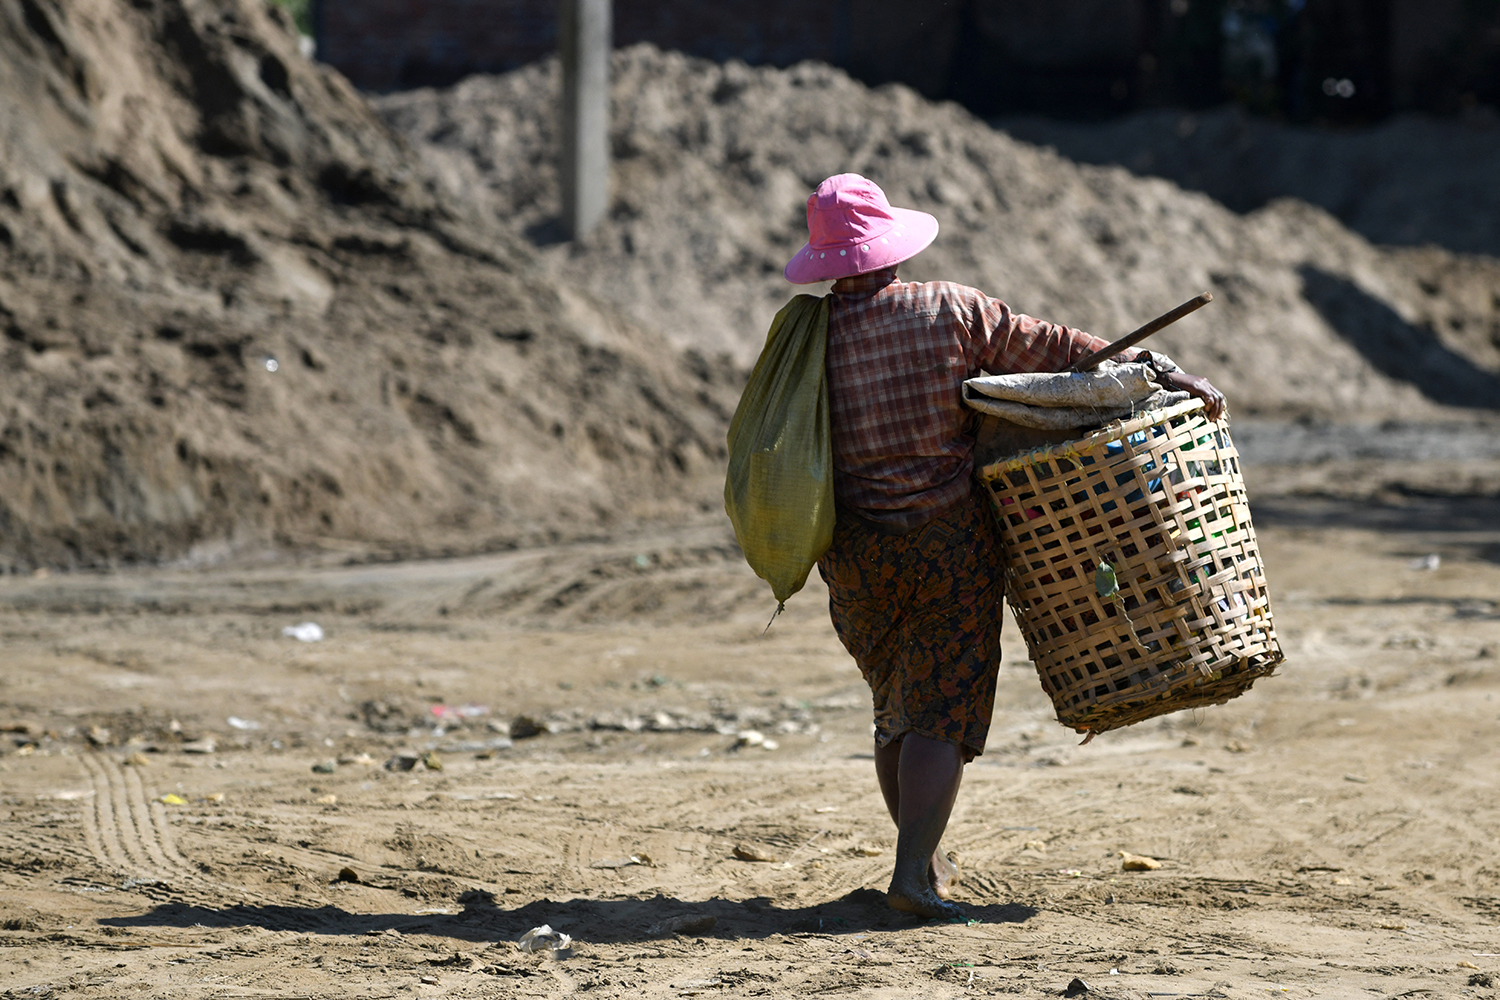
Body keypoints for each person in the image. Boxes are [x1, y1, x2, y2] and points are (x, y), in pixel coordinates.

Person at [784, 173, 1224, 919]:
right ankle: (913, 875)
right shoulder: (948, 310)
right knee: (940, 713)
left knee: (895, 704)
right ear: (889, 248)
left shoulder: (807, 340)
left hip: (852, 553)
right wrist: (1161, 371)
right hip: (946, 545)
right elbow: (1056, 352)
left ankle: (921, 859)